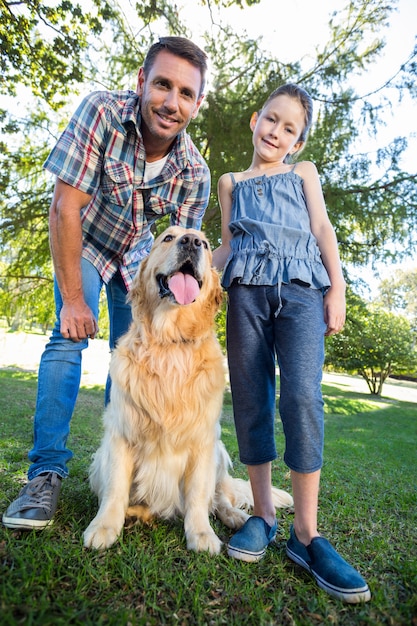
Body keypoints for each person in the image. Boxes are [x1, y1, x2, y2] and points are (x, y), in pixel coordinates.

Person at [3, 36, 210, 531]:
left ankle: (117, 476)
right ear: (142, 82)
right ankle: (45, 473)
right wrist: (75, 300)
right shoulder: (100, 113)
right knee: (66, 338)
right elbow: (64, 207)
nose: (171, 102)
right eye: (162, 85)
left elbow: (178, 257)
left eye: (185, 93)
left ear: (196, 104)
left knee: (132, 361)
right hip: (87, 242)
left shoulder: (195, 173)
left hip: (140, 265)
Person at [212, 83, 371, 603]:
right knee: (252, 399)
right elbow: (227, 247)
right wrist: (183, 265)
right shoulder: (230, 181)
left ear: (297, 142)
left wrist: (338, 289)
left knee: (301, 397)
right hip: (247, 296)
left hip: (302, 292)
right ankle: (262, 515)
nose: (276, 133)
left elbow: (322, 228)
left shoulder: (302, 174)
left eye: (289, 129)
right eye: (272, 120)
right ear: (255, 119)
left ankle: (307, 534)